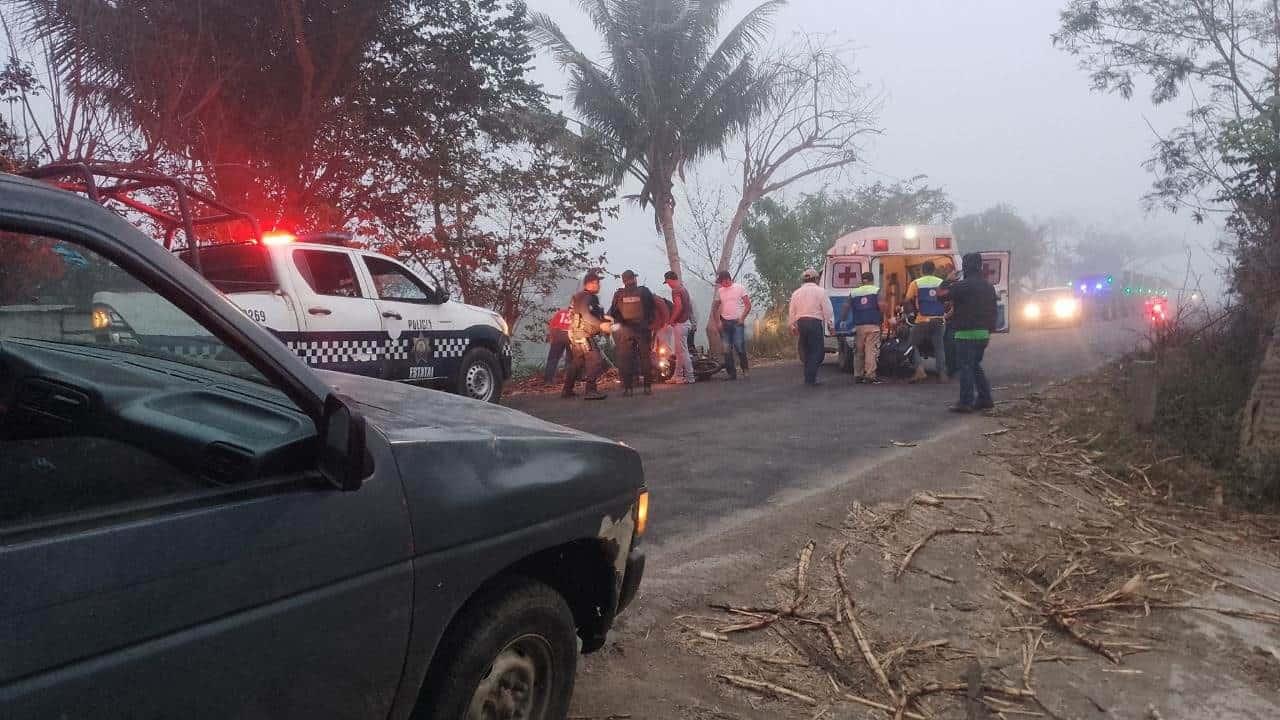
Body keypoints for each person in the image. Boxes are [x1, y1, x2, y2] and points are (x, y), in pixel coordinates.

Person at [942, 253, 998, 412]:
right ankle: (985, 398)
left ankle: (965, 402)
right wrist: (989, 330)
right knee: (974, 365)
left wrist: (949, 279)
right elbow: (993, 310)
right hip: (983, 334)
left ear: (965, 266)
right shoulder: (988, 286)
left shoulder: (962, 286)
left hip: (965, 334)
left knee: (965, 366)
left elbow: (940, 295)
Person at [563, 271, 613, 400]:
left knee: (577, 362)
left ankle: (567, 390)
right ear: (589, 284)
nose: (599, 285)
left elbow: (579, 314)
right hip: (584, 335)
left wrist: (604, 318)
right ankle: (590, 390)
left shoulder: (578, 296)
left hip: (575, 334)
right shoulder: (588, 297)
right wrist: (601, 325)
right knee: (596, 361)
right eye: (597, 283)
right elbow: (585, 314)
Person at [608, 270, 657, 396]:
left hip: (625, 331)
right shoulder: (644, 291)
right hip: (643, 329)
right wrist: (648, 322)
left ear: (623, 281)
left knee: (626, 359)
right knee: (645, 358)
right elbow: (652, 308)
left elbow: (613, 312)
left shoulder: (619, 294)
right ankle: (647, 387)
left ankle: (628, 389)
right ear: (634, 279)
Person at [788, 268, 835, 386]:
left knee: (806, 350)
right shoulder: (821, 291)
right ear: (816, 279)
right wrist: (830, 325)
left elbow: (792, 311)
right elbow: (828, 310)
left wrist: (792, 326)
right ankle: (810, 378)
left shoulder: (796, 293)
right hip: (814, 323)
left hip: (801, 323)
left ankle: (808, 377)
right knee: (817, 351)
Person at [840, 271, 887, 384]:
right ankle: (870, 375)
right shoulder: (876, 290)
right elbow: (881, 305)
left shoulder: (854, 292)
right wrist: (882, 317)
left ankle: (858, 375)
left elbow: (846, 306)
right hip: (873, 325)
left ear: (862, 280)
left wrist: (842, 319)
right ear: (872, 280)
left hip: (859, 325)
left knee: (859, 350)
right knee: (871, 350)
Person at [904, 260, 947, 383]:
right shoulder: (941, 283)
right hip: (939, 320)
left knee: (912, 344)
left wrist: (910, 313)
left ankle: (919, 370)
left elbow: (907, 300)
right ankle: (942, 373)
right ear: (934, 271)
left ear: (922, 271)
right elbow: (948, 300)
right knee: (939, 347)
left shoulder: (916, 283)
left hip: (922, 320)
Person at [714, 270, 752, 380]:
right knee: (726, 349)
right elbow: (715, 307)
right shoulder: (720, 291)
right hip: (725, 321)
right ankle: (732, 373)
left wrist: (742, 318)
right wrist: (718, 321)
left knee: (739, 347)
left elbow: (748, 305)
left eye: (722, 281)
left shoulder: (739, 288)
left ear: (727, 279)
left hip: (737, 322)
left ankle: (745, 369)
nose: (721, 284)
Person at [664, 270, 696, 384]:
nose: (668, 285)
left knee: (683, 351)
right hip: (686, 322)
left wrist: (671, 320)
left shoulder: (676, 290)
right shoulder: (683, 289)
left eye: (667, 282)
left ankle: (690, 376)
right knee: (679, 351)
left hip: (681, 323)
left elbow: (678, 307)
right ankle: (677, 376)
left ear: (670, 280)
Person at [543, 305, 573, 385]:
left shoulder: (560, 312)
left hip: (557, 336)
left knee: (552, 359)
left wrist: (551, 336)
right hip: (570, 336)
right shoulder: (577, 314)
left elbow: (552, 325)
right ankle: (569, 379)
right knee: (570, 359)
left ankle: (548, 380)